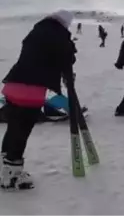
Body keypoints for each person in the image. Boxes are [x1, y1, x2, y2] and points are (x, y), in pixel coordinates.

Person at [1, 10, 77, 190]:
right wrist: (68, 70)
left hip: (13, 85)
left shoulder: (37, 30)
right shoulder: (59, 34)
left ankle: (5, 165)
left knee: (14, 126)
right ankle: (12, 174)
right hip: (31, 90)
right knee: (22, 130)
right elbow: (65, 58)